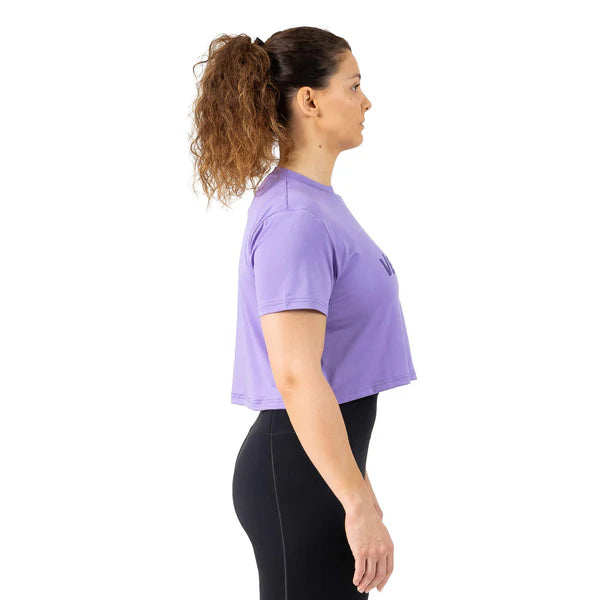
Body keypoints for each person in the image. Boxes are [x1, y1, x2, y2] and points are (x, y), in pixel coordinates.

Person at [189, 26, 417, 599]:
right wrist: (356, 503)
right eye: (354, 85)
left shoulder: (315, 206)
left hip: (319, 472)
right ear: (310, 100)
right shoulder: (296, 218)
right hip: (295, 478)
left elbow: (332, 368)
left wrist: (359, 489)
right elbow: (295, 373)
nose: (367, 102)